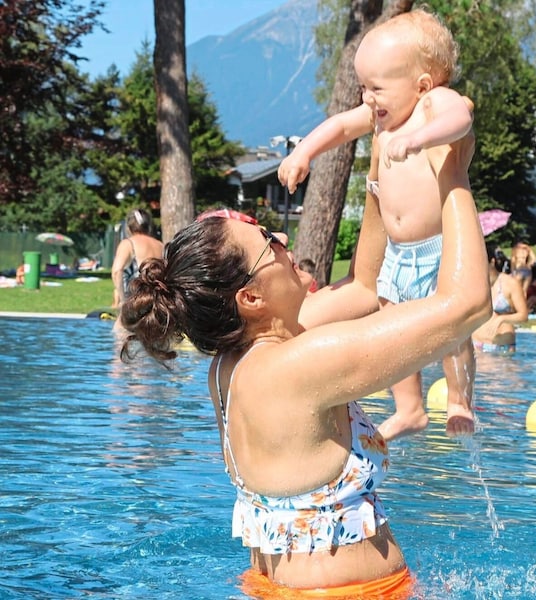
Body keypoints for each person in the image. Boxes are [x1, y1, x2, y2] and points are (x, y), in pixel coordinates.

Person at [117, 135, 490, 596]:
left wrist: (377, 166)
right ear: (250, 297)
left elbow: (363, 288)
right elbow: (468, 304)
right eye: (267, 242)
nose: (282, 240)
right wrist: (452, 171)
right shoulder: (301, 365)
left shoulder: (234, 364)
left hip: (272, 586)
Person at [278, 9, 476, 441]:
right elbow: (339, 125)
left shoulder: (430, 106)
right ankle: (409, 409)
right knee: (392, 328)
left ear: (421, 84)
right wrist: (304, 153)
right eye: (363, 87)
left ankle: (459, 398)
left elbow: (460, 117)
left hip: (438, 246)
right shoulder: (380, 118)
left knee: (454, 331)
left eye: (377, 88)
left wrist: (419, 138)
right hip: (398, 252)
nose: (367, 98)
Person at [111, 209, 164, 326]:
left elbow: (116, 271)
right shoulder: (161, 245)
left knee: (120, 335)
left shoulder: (128, 243)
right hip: (156, 304)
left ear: (129, 226)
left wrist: (122, 300)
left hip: (135, 302)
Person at [472, 245, 528, 353]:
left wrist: (501, 319)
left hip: (501, 348)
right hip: (476, 345)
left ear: (492, 261)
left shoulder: (510, 283)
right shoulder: (475, 284)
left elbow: (523, 316)